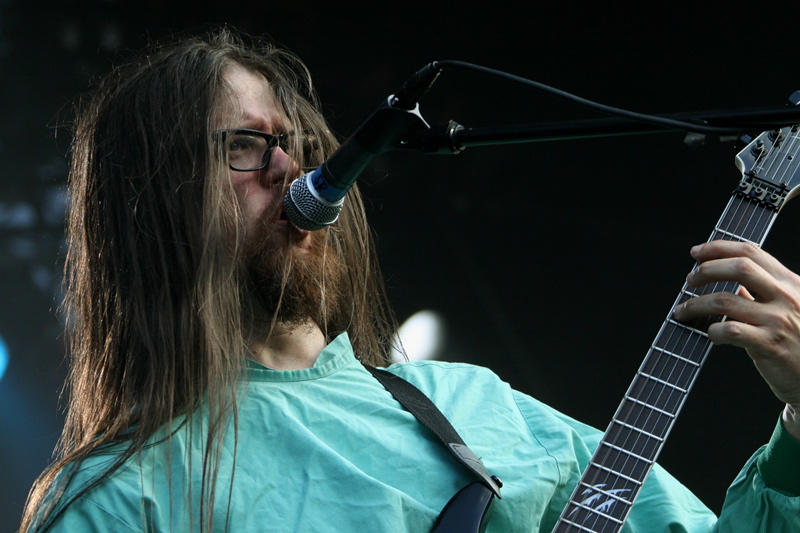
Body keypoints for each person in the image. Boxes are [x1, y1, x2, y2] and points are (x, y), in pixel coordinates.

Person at [20, 28, 800, 532]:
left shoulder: (473, 406)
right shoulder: (117, 499)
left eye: (295, 143)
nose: (291, 167)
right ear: (154, 199)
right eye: (245, 147)